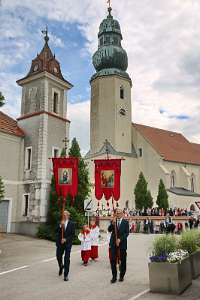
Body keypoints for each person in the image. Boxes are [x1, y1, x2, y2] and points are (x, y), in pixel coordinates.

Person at [108, 208, 129, 283]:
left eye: (120, 213)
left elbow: (127, 233)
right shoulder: (114, 221)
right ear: (116, 214)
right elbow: (109, 230)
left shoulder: (125, 222)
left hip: (122, 244)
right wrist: (112, 224)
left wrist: (120, 239)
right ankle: (114, 276)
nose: (118, 214)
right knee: (113, 260)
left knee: (123, 260)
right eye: (117, 213)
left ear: (122, 214)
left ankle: (122, 275)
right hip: (113, 244)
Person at [56, 210, 75, 282]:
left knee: (67, 258)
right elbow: (56, 231)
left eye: (65, 214)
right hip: (60, 243)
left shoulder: (72, 224)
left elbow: (72, 235)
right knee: (58, 256)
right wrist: (61, 225)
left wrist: (66, 239)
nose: (64, 216)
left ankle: (66, 275)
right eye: (63, 214)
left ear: (68, 216)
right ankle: (61, 266)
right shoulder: (60, 222)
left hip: (67, 244)